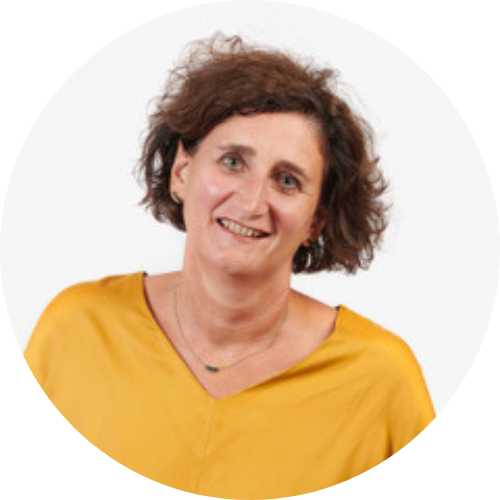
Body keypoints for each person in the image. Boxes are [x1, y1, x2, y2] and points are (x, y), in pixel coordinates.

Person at [24, 34, 435, 499]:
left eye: (287, 180)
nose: (252, 202)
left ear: (316, 219)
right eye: (233, 161)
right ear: (182, 172)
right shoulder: (74, 330)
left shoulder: (381, 382)